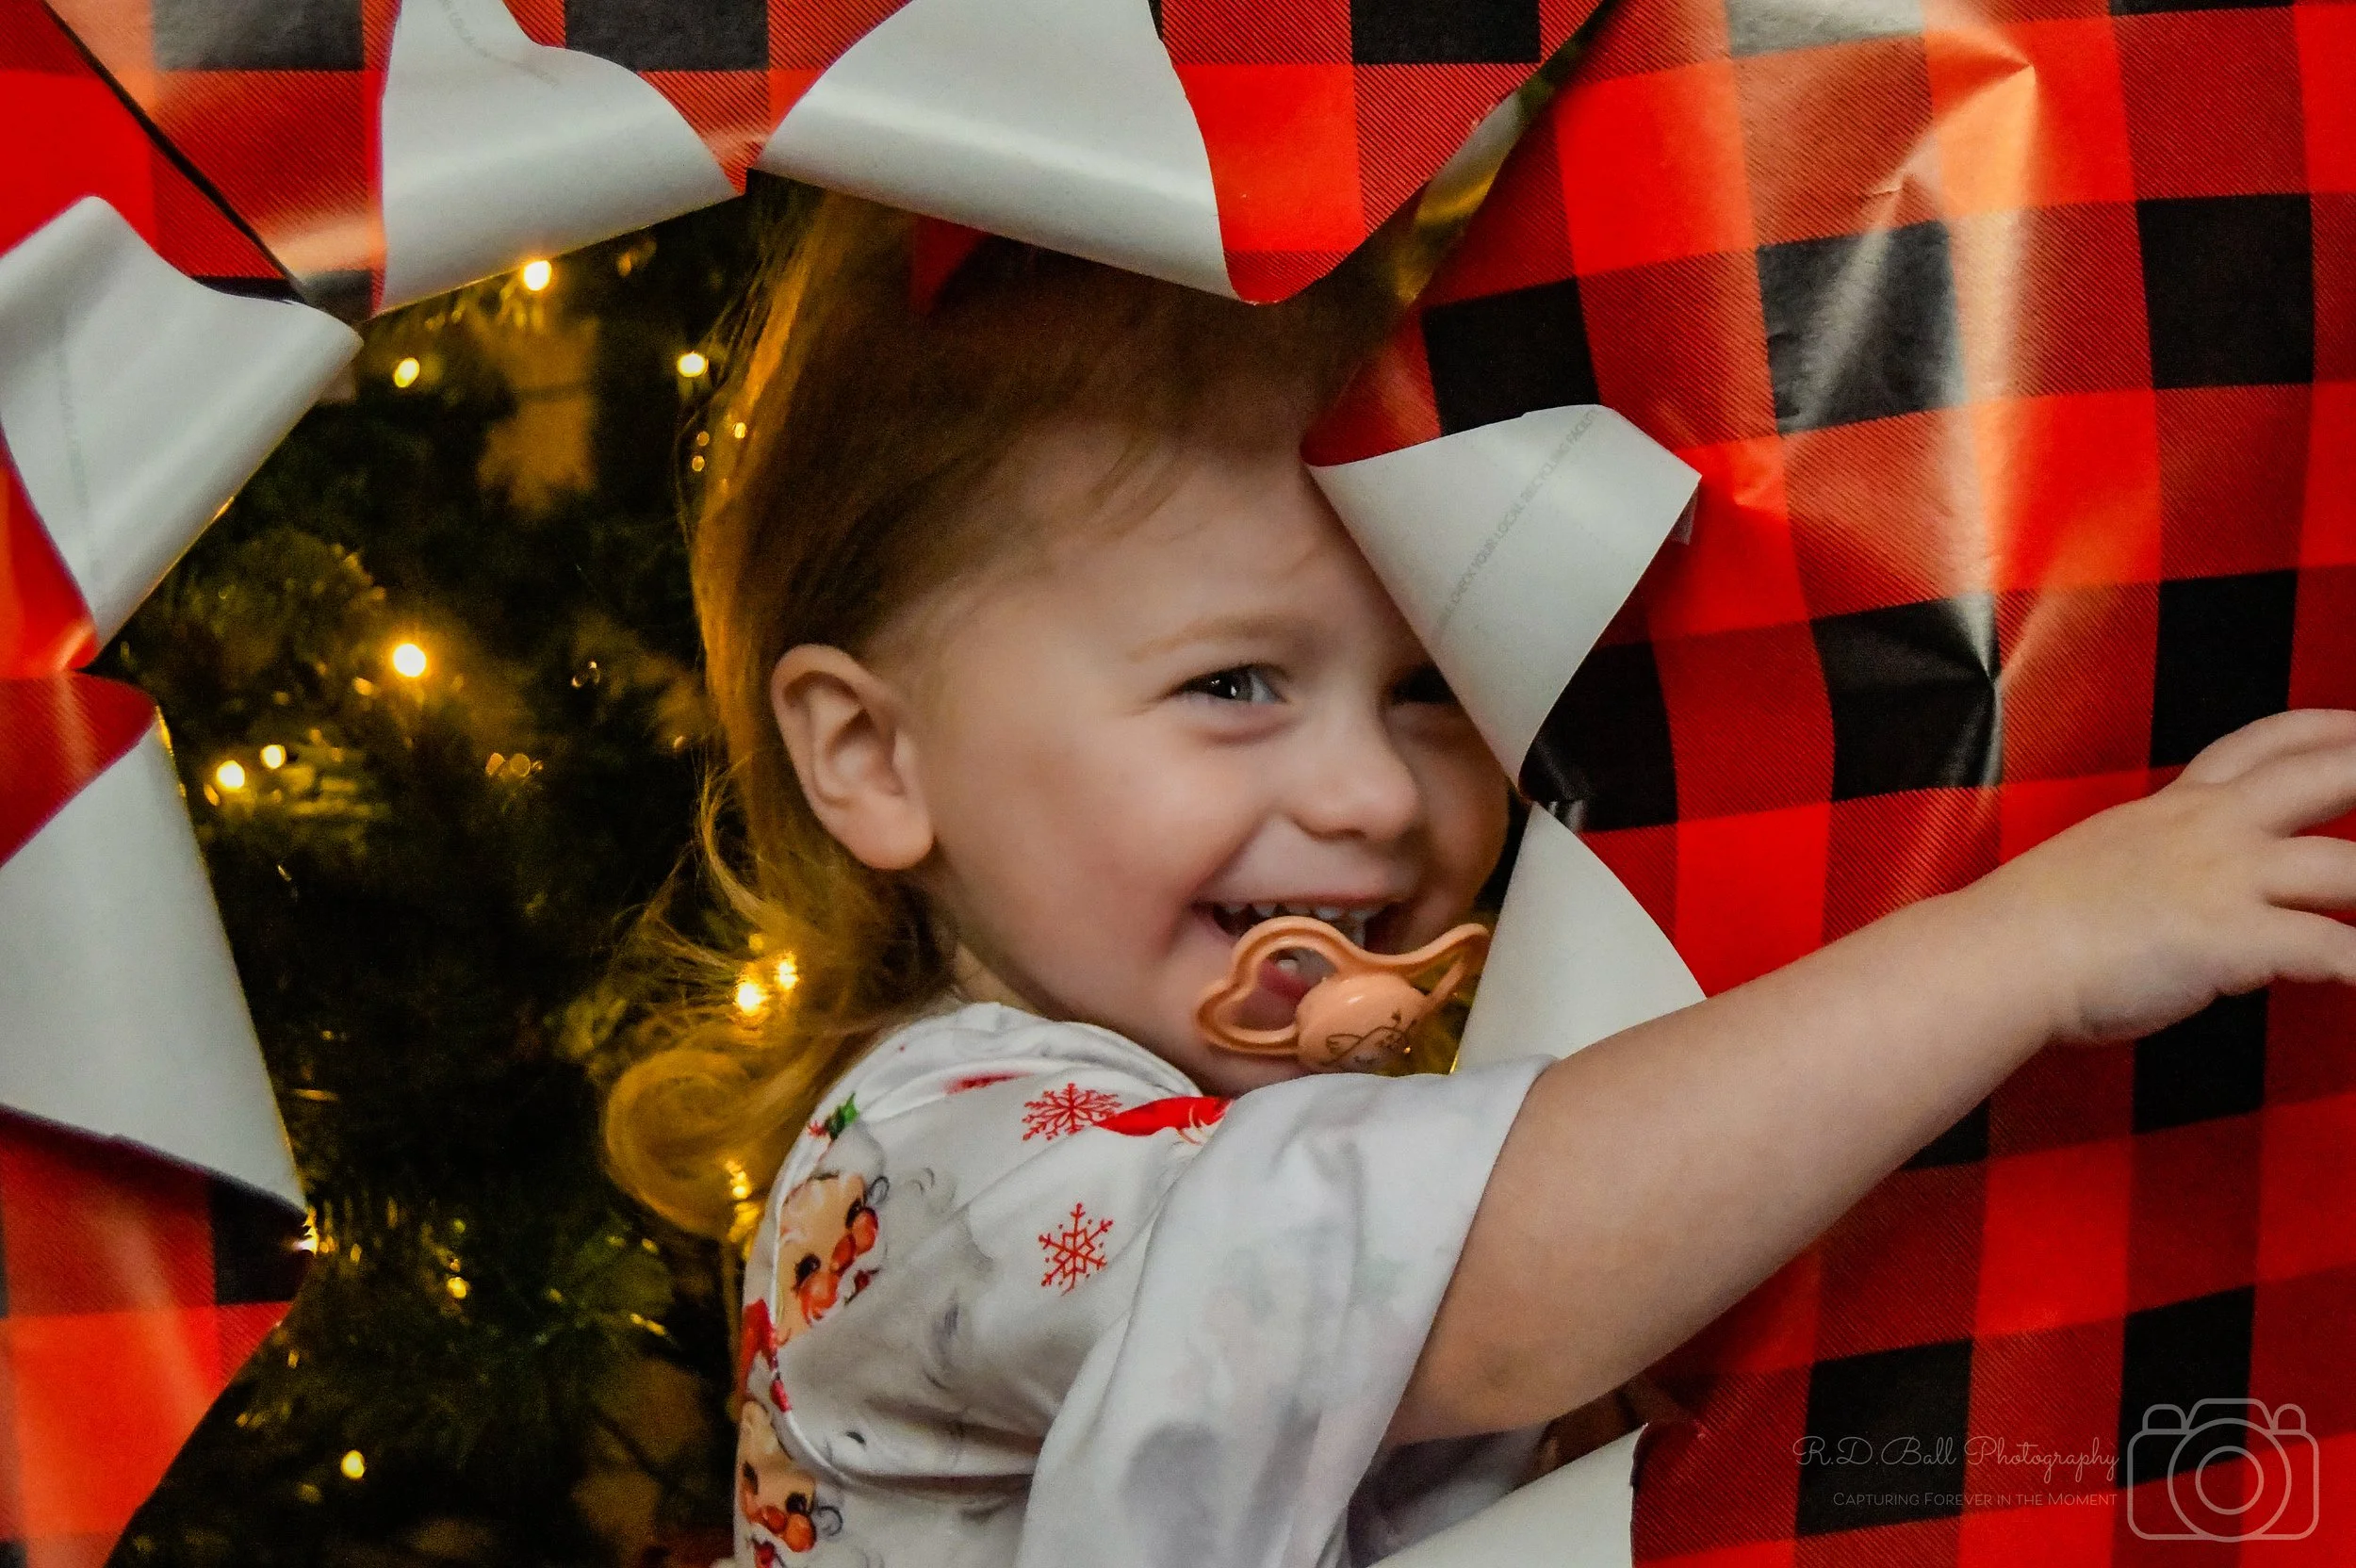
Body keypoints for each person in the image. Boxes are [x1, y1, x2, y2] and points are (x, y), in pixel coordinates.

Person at [602, 194, 2356, 1567]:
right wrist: (2032, 941)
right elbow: (1466, 1292)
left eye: (1434, 686)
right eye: (1233, 684)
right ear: (873, 759)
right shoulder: (938, 1160)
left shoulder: (1371, 1060)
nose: (1376, 792)